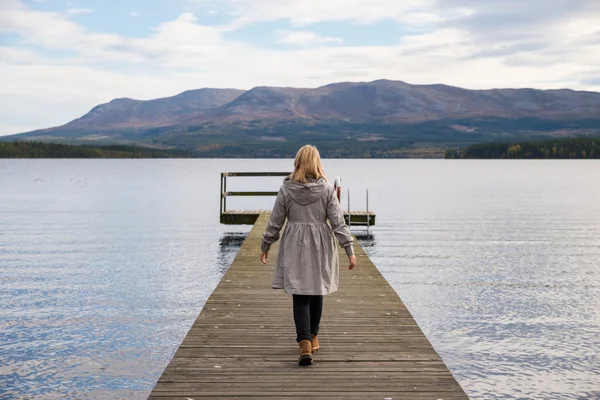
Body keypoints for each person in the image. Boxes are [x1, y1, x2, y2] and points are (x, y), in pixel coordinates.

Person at [260, 144, 357, 366]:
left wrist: (265, 245)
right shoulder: (326, 189)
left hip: (295, 242)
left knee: (300, 293)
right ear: (317, 163)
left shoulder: (286, 189)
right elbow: (337, 222)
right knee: (317, 289)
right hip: (321, 243)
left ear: (298, 162)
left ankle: (304, 341)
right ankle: (312, 336)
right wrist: (349, 249)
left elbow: (275, 221)